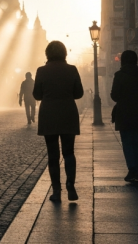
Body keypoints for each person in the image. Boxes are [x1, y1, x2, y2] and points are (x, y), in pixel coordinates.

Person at [33, 40, 84, 202]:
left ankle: (56, 190)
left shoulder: (41, 71)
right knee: (69, 152)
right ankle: (71, 185)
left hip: (49, 115)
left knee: (53, 155)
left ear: (47, 54)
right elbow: (79, 93)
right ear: (64, 53)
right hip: (68, 113)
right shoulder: (72, 69)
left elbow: (37, 95)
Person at [110, 50, 138, 183]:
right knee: (136, 142)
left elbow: (114, 96)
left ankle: (132, 169)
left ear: (123, 61)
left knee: (127, 142)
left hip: (124, 113)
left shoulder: (119, 75)